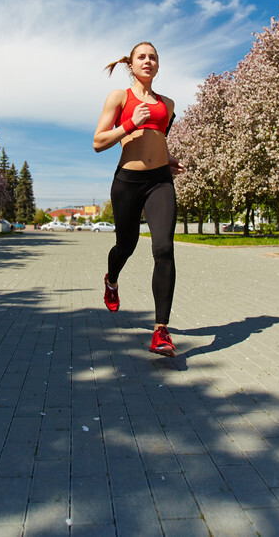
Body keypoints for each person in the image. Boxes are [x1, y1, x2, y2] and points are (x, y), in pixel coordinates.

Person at [93, 42, 184, 357]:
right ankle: (112, 279)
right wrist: (130, 123)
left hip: (160, 180)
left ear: (158, 66)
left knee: (164, 248)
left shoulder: (167, 104)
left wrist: (168, 159)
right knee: (126, 245)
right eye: (142, 57)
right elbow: (98, 141)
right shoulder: (119, 97)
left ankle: (161, 331)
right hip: (127, 181)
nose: (148, 61)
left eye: (153, 57)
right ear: (130, 65)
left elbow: (157, 137)